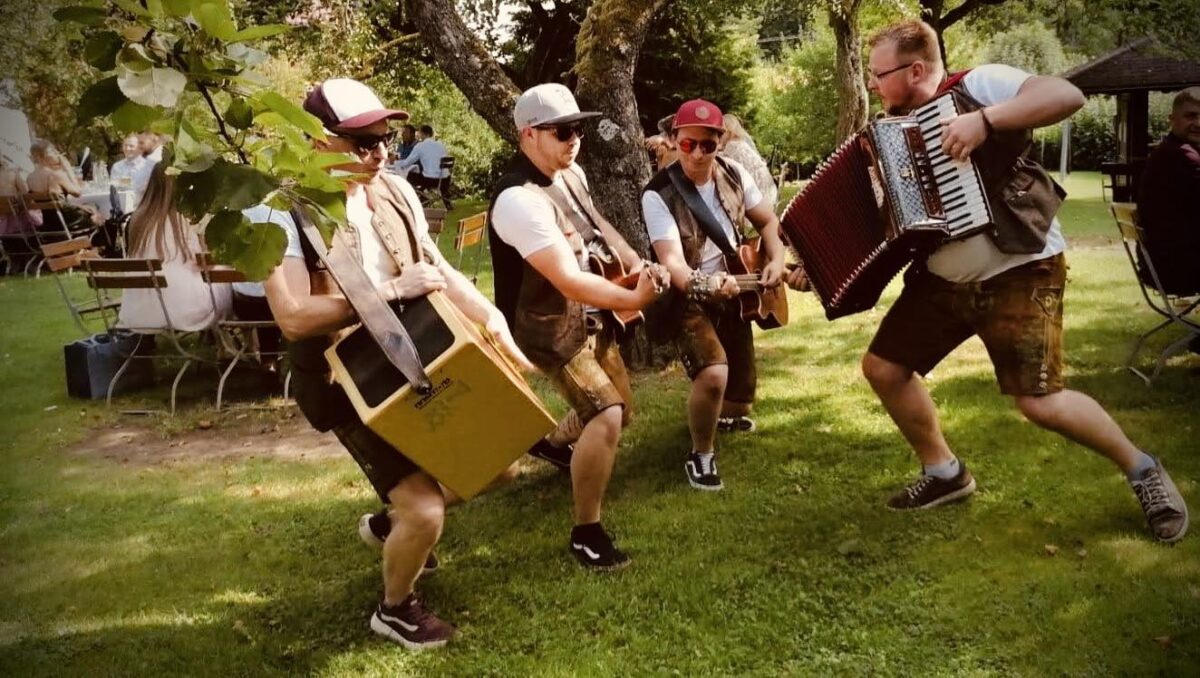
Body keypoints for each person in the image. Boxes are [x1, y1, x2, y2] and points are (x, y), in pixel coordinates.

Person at [826, 20, 1186, 542]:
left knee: (1041, 402)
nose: (874, 86)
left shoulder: (979, 86)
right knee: (884, 368)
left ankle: (1143, 470)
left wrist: (986, 123)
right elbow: (884, 223)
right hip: (944, 280)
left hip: (1021, 266)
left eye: (880, 75)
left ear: (917, 69)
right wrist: (820, 268)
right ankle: (944, 473)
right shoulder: (888, 136)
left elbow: (1066, 95)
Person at [262, 78, 532, 650]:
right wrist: (388, 291)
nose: (380, 152)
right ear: (315, 143)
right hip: (344, 380)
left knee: (496, 462)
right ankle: (396, 608)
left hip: (420, 354)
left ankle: (391, 526)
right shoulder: (280, 213)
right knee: (428, 509)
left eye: (385, 137)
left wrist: (492, 320)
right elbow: (292, 316)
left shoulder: (395, 190)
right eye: (360, 141)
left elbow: (435, 267)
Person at [488, 83, 668, 570]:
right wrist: (633, 296)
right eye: (563, 131)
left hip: (589, 315)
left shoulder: (569, 175)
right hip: (545, 324)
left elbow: (595, 225)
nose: (574, 141)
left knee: (621, 412)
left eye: (579, 130)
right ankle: (587, 532)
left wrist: (633, 260)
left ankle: (550, 443)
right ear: (528, 135)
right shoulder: (517, 200)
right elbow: (566, 279)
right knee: (607, 413)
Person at [642, 99, 788, 491]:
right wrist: (707, 286)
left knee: (738, 402)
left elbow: (768, 221)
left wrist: (775, 258)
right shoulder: (657, 194)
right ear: (673, 140)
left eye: (707, 144)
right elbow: (672, 263)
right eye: (688, 144)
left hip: (736, 290)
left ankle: (717, 414)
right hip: (688, 294)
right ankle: (701, 455)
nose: (698, 153)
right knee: (713, 375)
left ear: (720, 142)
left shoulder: (735, 173)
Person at [118, 163, 231, 332]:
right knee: (225, 274)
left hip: (139, 312)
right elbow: (206, 261)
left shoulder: (138, 219)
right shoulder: (188, 217)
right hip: (184, 311)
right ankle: (230, 343)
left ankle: (222, 343)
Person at [1136, 86, 1200, 296]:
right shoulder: (1183, 156)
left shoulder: (1168, 150)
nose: (1198, 123)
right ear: (1172, 119)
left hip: (1158, 264)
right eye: (1191, 116)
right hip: (1177, 269)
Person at [26, 140, 102, 233]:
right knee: (95, 206)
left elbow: (55, 204)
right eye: (53, 151)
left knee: (89, 207)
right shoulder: (56, 175)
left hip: (49, 223)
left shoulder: (30, 178)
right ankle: (101, 241)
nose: (58, 154)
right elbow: (78, 192)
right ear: (44, 156)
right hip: (67, 222)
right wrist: (67, 167)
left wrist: (79, 206)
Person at [720, 114, 778, 212]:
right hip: (767, 189)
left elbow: (722, 163)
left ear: (729, 131)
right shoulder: (740, 142)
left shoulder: (732, 145)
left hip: (758, 193)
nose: (720, 135)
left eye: (722, 132)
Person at [398, 124, 451, 208]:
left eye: (420, 133)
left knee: (409, 175)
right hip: (445, 180)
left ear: (423, 134)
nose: (418, 136)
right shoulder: (441, 145)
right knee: (435, 173)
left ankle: (422, 198)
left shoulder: (420, 146)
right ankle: (446, 203)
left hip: (429, 180)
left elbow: (407, 162)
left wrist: (396, 163)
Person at [109, 133, 153, 204]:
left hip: (142, 207)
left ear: (140, 148)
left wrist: (122, 182)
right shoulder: (117, 166)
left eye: (131, 146)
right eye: (125, 145)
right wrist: (131, 182)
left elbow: (146, 188)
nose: (127, 149)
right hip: (121, 206)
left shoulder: (147, 166)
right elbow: (113, 186)